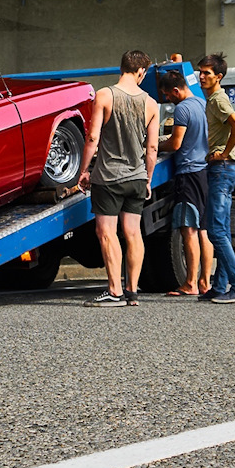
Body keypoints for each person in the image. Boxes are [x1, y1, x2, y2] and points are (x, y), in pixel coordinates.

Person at [77, 49, 158, 306]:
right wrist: (148, 179)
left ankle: (115, 291)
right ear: (141, 71)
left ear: (121, 67)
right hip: (136, 177)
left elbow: (92, 137)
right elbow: (153, 148)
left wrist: (83, 170)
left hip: (109, 177)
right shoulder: (151, 103)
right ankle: (132, 291)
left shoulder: (104, 95)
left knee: (106, 232)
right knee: (133, 233)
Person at [196, 54, 235, 303]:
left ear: (219, 77)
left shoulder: (217, 100)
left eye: (207, 73)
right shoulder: (212, 100)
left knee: (215, 232)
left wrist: (224, 153)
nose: (202, 76)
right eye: (200, 72)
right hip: (225, 168)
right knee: (222, 230)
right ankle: (219, 287)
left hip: (222, 168)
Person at [157, 66, 212, 296]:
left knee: (188, 229)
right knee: (203, 230)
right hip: (204, 172)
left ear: (177, 90)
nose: (168, 99)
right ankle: (204, 282)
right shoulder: (201, 103)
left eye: (168, 95)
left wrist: (153, 145)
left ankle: (189, 283)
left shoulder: (182, 109)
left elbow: (175, 143)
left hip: (188, 174)